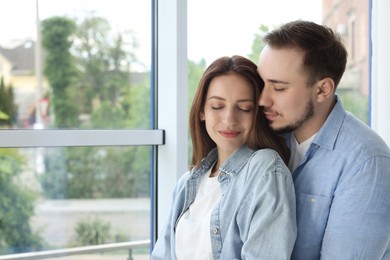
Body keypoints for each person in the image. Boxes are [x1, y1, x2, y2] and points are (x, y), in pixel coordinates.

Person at [257, 20, 390, 259]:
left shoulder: (367, 162)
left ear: (322, 90)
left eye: (278, 88)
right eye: (261, 84)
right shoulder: (266, 137)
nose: (262, 100)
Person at [151, 55, 297, 259]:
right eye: (217, 107)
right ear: (202, 111)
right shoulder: (187, 184)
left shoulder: (265, 169)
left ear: (258, 113)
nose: (229, 120)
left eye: (244, 108)